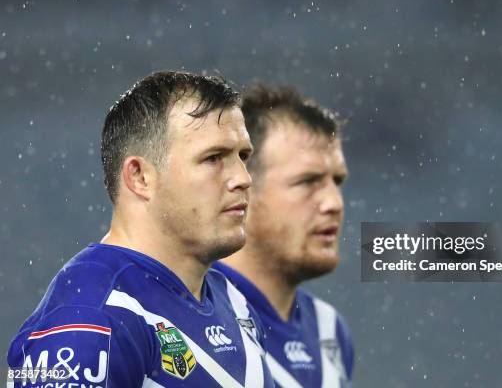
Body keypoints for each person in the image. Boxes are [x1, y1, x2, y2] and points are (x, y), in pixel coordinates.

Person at [7, 71, 274, 387]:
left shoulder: (233, 301)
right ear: (139, 177)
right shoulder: (90, 318)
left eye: (243, 156)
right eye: (214, 158)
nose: (243, 178)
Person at [214, 83, 354, 387]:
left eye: (337, 181)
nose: (334, 203)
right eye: (308, 181)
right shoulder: (188, 311)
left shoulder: (328, 332)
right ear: (243, 187)